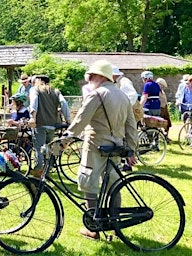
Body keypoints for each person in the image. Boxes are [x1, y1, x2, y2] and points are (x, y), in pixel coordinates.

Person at [64, 59, 137, 240]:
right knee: (114, 186)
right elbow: (131, 126)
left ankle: (93, 228)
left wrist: (65, 139)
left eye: (90, 76)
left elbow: (81, 120)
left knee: (89, 181)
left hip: (95, 145)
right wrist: (132, 150)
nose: (88, 80)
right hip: (116, 148)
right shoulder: (122, 96)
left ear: (98, 76)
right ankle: (116, 227)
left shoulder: (96, 95)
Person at [28, 75, 71, 177]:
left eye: (35, 80)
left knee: (39, 148)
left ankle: (38, 171)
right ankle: (50, 166)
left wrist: (33, 117)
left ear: (40, 81)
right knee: (51, 147)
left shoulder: (35, 90)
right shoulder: (55, 91)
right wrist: (68, 119)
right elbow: (64, 103)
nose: (33, 83)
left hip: (40, 124)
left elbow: (34, 102)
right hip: (52, 125)